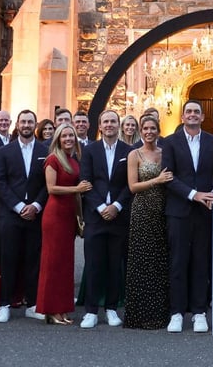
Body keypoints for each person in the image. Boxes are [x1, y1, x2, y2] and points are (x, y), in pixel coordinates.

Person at [160, 100, 213, 333]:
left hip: (205, 212)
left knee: (201, 262)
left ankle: (199, 312)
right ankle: (177, 313)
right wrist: (193, 194)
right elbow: (168, 176)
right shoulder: (169, 143)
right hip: (179, 210)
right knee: (178, 262)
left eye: (196, 112)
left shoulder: (212, 142)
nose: (192, 115)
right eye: (188, 111)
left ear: (202, 117)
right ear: (182, 116)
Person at [79, 110, 133, 329]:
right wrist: (102, 207)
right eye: (105, 122)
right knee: (93, 264)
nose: (109, 125)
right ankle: (91, 310)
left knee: (114, 265)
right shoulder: (90, 150)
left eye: (113, 121)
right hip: (96, 215)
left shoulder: (128, 151)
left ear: (118, 125)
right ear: (99, 126)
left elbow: (130, 184)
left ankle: (111, 308)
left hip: (119, 216)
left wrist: (116, 206)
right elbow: (86, 181)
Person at [0, 109, 48, 322]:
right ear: (18, 124)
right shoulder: (5, 152)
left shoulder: (45, 150)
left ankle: (32, 304)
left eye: (30, 122)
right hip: (10, 214)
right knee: (8, 259)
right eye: (23, 121)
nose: (26, 125)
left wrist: (35, 205)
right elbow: (0, 182)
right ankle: (4, 304)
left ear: (35, 125)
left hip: (35, 213)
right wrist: (18, 206)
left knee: (32, 260)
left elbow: (46, 183)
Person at [37, 124, 91, 325]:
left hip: (69, 214)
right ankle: (50, 310)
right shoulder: (53, 159)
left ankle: (62, 308)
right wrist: (76, 188)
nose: (68, 138)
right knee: (52, 263)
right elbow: (51, 188)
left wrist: (79, 216)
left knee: (65, 264)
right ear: (58, 139)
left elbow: (76, 193)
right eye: (64, 135)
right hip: (55, 214)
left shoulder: (73, 159)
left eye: (71, 135)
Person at [124, 114, 173, 329]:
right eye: (145, 128)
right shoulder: (134, 154)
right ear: (141, 131)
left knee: (161, 260)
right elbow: (133, 187)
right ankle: (141, 315)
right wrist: (157, 180)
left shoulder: (165, 153)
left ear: (158, 130)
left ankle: (161, 313)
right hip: (143, 209)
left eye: (153, 128)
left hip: (163, 208)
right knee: (142, 261)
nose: (149, 132)